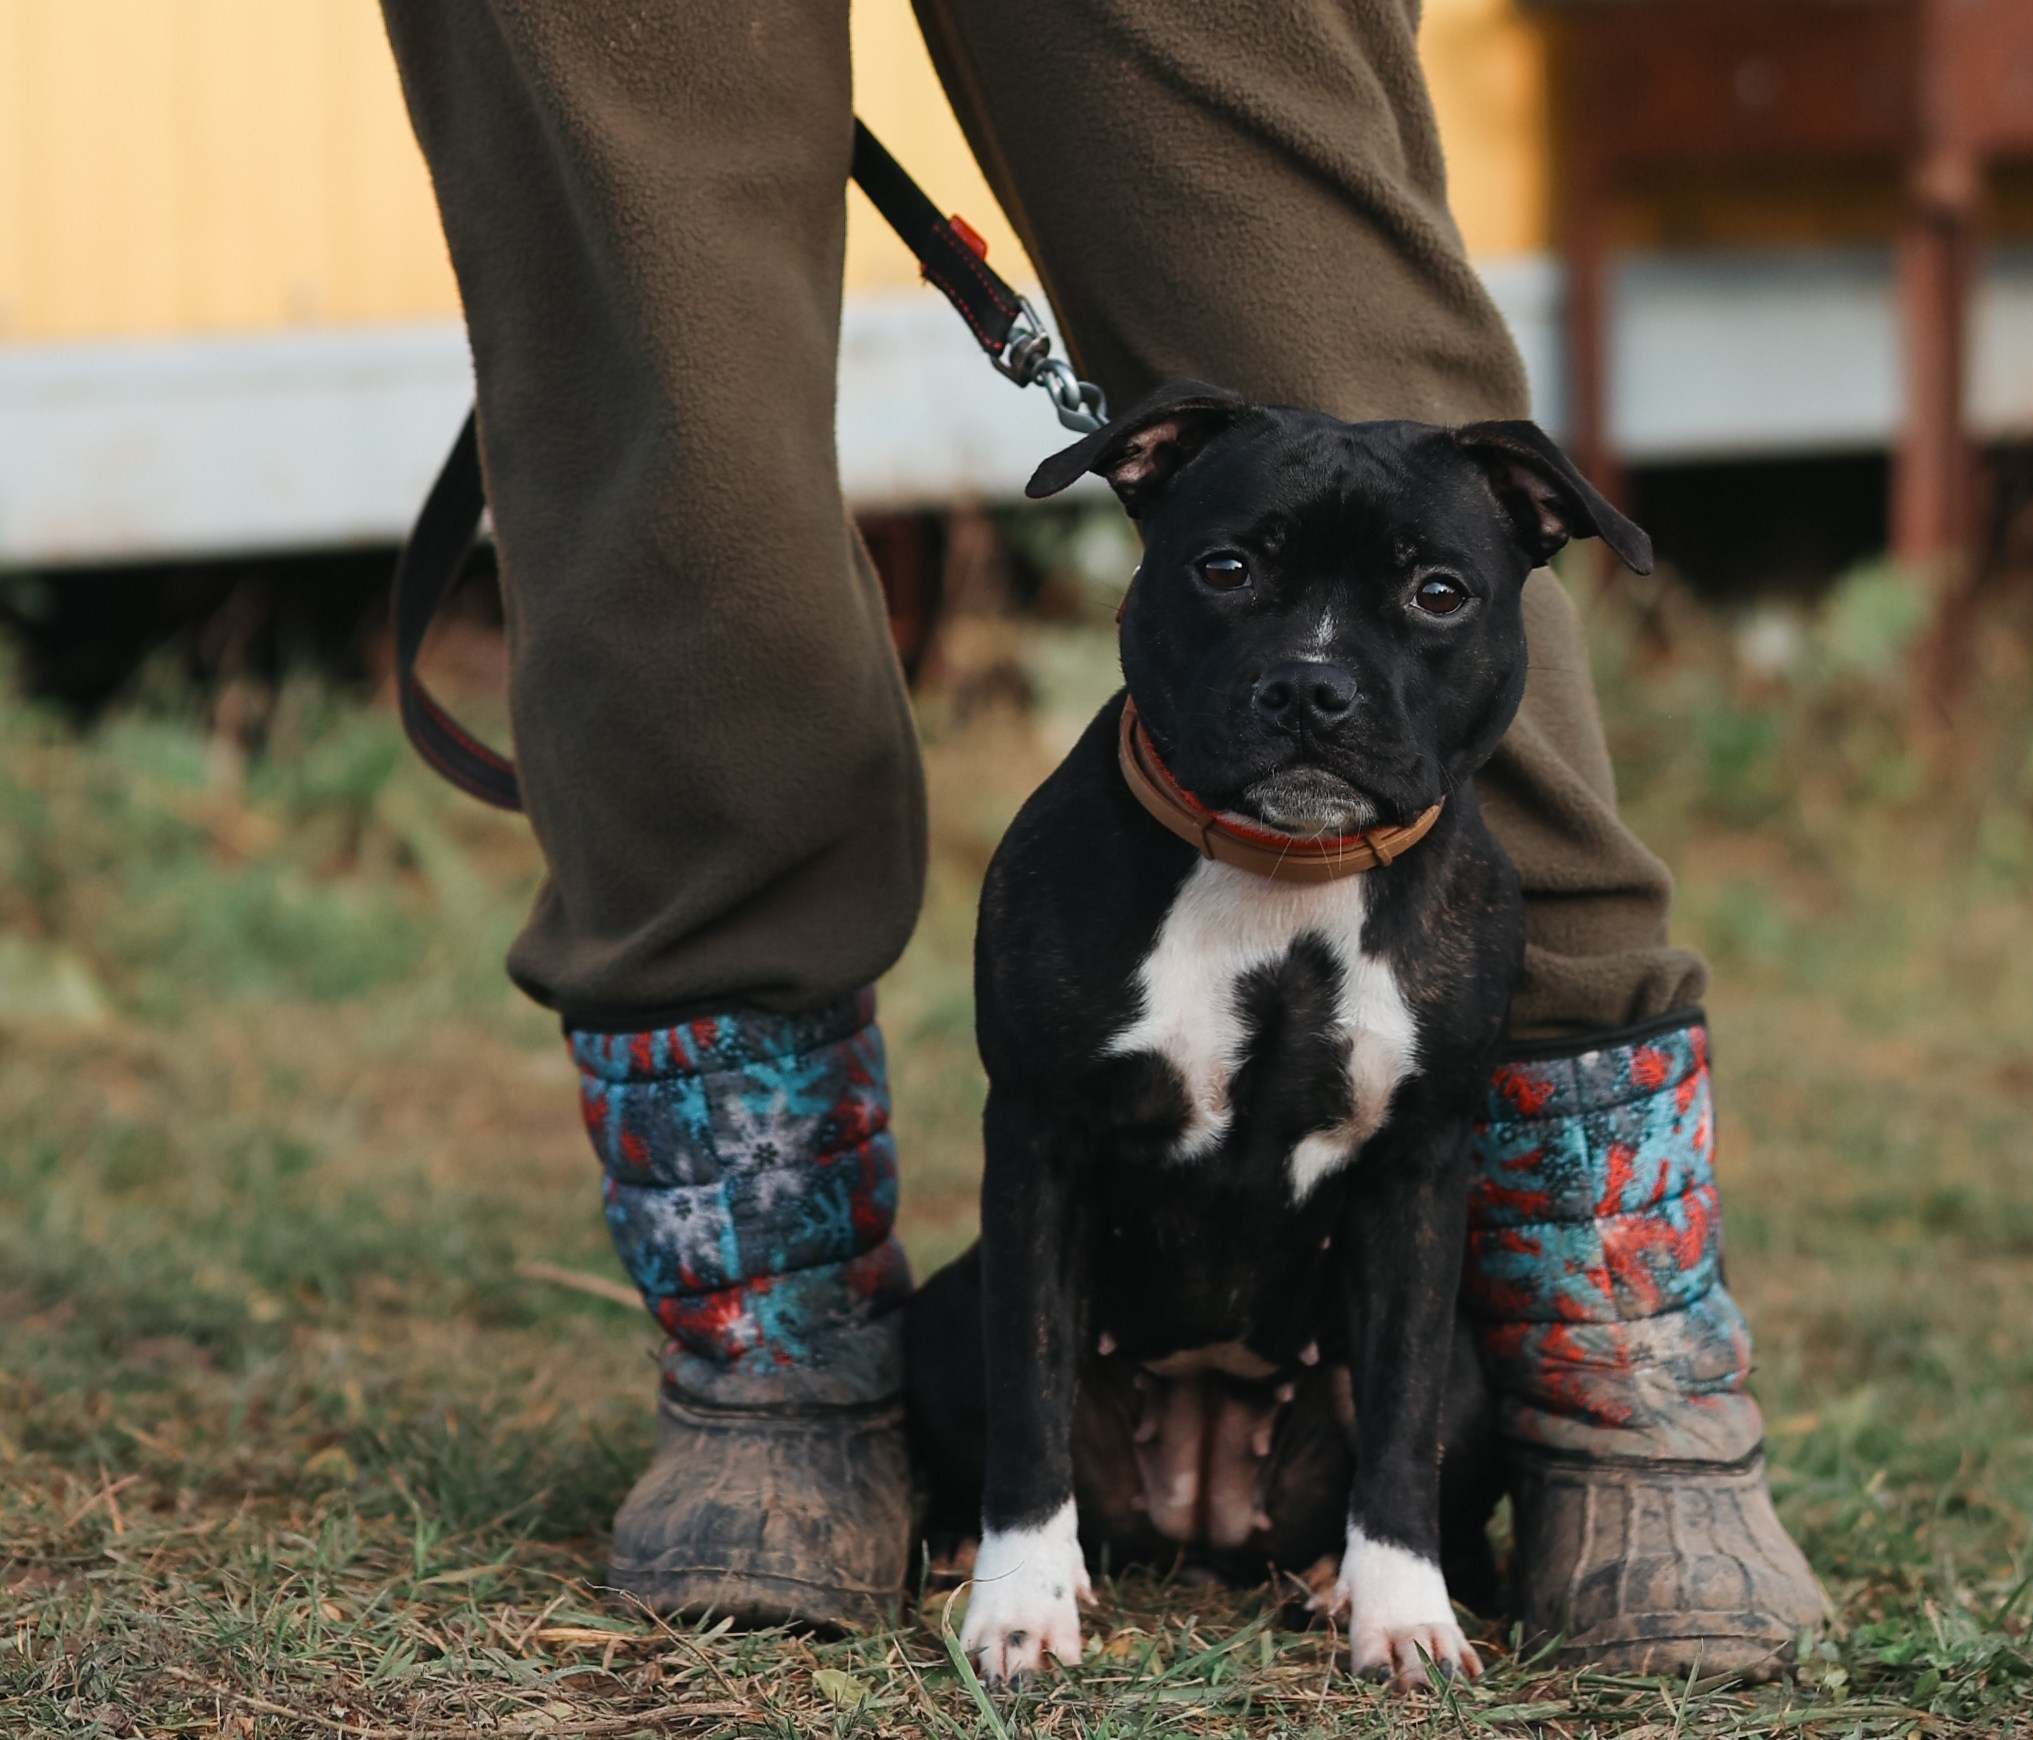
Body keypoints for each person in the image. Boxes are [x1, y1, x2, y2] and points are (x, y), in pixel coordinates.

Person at [379, 0, 1821, 1676]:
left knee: (1296, 248)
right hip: (1081, 1264)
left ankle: (1608, 1336)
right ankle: (774, 1335)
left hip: (1385, 1121)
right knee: (651, 340)